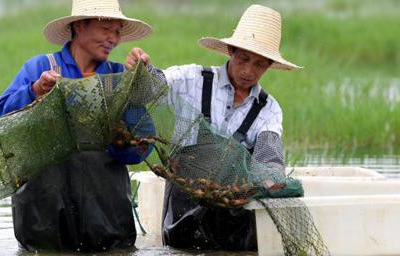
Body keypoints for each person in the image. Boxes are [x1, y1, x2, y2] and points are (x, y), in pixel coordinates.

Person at [126, 4, 300, 251]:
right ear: (230, 50)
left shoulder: (269, 110)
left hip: (234, 214)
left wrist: (272, 179)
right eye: (244, 59)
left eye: (260, 64)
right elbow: (152, 86)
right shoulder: (192, 79)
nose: (249, 71)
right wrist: (141, 70)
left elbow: (269, 156)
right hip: (183, 207)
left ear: (270, 65)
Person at [0, 0, 155, 252]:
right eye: (106, 29)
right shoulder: (41, 68)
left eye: (116, 32)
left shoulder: (118, 79)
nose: (112, 38)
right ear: (79, 26)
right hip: (44, 215)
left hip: (106, 217)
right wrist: (36, 91)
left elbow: (142, 149)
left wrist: (134, 91)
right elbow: (2, 117)